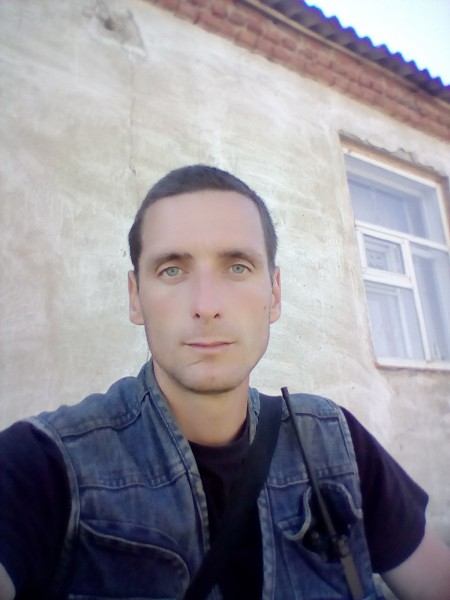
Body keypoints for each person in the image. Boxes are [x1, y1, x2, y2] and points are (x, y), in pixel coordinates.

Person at [1, 165, 450, 600]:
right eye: (172, 270)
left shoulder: (335, 444)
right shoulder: (42, 467)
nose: (206, 304)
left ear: (274, 294)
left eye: (237, 267)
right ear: (136, 298)